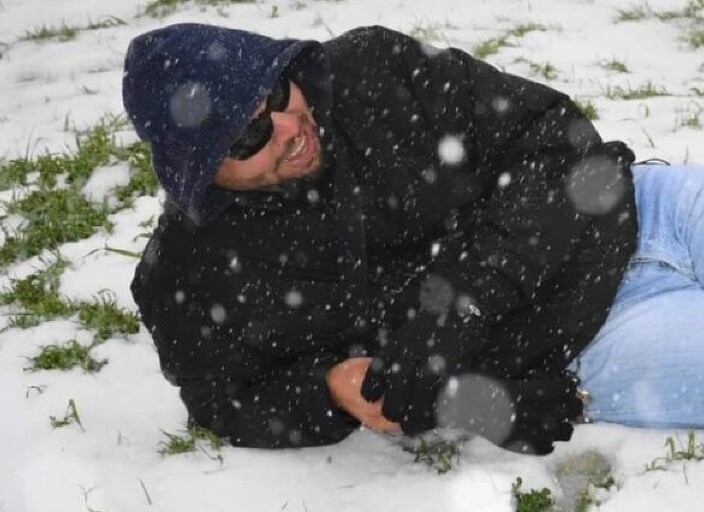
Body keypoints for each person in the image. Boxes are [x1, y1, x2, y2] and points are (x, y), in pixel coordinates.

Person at [122, 23, 703, 455]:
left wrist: (465, 301)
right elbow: (223, 399)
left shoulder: (374, 69)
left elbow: (555, 138)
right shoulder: (186, 278)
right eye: (250, 134)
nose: (289, 127)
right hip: (582, 337)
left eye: (275, 94)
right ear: (197, 168)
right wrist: (332, 388)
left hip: (645, 204)